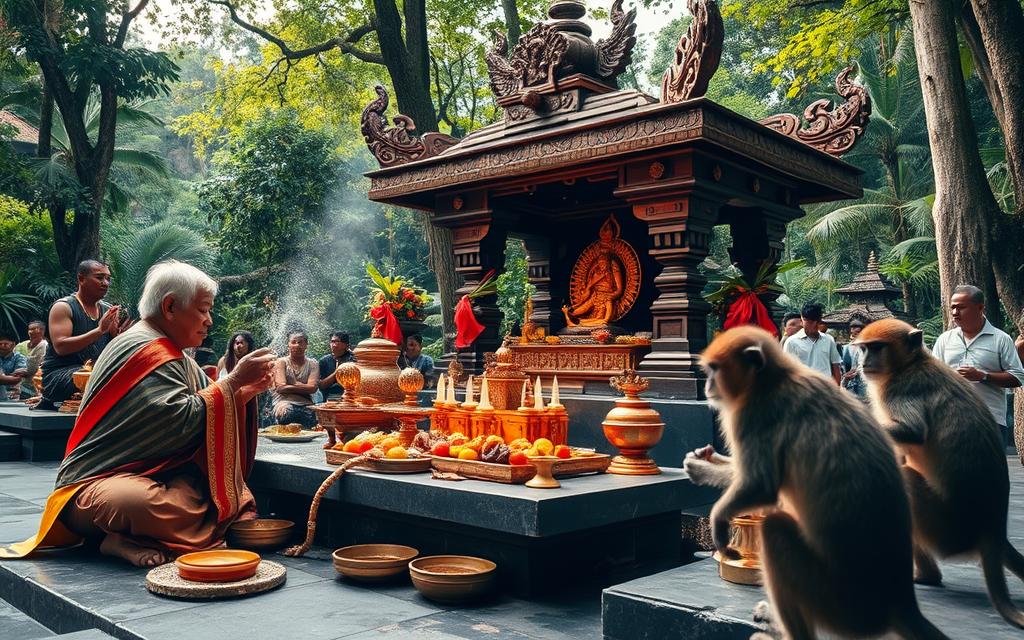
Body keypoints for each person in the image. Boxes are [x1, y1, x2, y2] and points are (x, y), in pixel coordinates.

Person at [0, 260, 276, 566]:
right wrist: (234, 382)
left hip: (151, 474)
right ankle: (114, 538)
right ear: (170, 306)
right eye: (203, 310)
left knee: (208, 493)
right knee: (135, 503)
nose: (209, 320)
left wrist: (243, 392)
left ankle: (122, 539)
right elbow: (179, 424)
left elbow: (207, 403)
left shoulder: (171, 351)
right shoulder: (143, 347)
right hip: (91, 487)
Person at [931, 285, 1024, 444]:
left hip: (990, 419)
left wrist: (982, 376)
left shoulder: (1001, 339)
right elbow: (932, 377)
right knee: (955, 469)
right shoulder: (944, 340)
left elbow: (1018, 377)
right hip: (950, 420)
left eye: (961, 308)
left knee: (991, 469)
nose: (954, 313)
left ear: (980, 308)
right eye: (953, 307)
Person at [36, 260, 131, 410]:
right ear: (81, 279)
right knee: (98, 375)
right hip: (59, 376)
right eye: (99, 278)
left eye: (108, 278)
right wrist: (99, 331)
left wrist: (122, 336)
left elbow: (113, 347)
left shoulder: (107, 309)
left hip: (96, 371)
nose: (105, 283)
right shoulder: (63, 307)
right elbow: (61, 347)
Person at [783, 302, 842, 385]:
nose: (814, 325)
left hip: (826, 389)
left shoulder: (829, 340)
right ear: (802, 320)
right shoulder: (791, 342)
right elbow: (787, 371)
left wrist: (837, 390)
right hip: (804, 389)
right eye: (810, 322)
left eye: (817, 322)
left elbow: (835, 366)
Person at [271, 330, 319, 428]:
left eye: (300, 342)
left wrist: (292, 385)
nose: (297, 345)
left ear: (306, 345)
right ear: (288, 345)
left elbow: (313, 388)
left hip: (307, 403)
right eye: (293, 342)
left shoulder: (313, 364)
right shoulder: (281, 362)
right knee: (286, 413)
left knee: (314, 418)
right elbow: (281, 388)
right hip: (283, 402)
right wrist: (303, 386)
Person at [318, 331, 355, 400]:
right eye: (332, 342)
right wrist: (338, 371)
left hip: (350, 397)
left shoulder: (353, 360)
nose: (333, 344)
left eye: (336, 341)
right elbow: (321, 385)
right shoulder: (324, 361)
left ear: (345, 345)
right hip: (329, 397)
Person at [15, 320, 47, 399]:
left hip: (34, 386)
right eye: (30, 329)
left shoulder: (44, 345)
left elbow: (33, 369)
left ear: (43, 331)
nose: (31, 331)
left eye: (35, 329)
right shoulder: (21, 345)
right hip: (18, 384)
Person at [841, 318, 868, 398]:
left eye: (858, 332)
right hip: (850, 388)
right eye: (853, 328)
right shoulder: (845, 348)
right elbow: (842, 368)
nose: (854, 331)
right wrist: (845, 377)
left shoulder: (869, 348)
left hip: (865, 388)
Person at [0, 330, 28, 401]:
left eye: (5, 344)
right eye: (0, 344)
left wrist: (3, 377)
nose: (2, 346)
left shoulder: (19, 358)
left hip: (12, 394)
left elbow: (18, 378)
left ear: (13, 345)